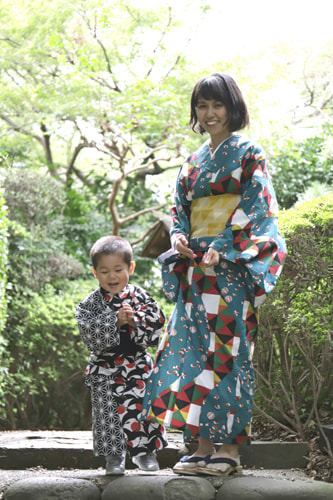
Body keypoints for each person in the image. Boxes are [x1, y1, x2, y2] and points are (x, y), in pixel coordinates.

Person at [142, 73, 287, 476]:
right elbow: (178, 211)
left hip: (229, 272)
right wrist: (180, 238)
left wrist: (220, 248)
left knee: (227, 354)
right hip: (195, 274)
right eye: (202, 106)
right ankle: (202, 445)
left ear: (232, 108)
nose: (209, 114)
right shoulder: (192, 161)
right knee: (193, 356)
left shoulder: (248, 153)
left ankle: (230, 450)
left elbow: (258, 210)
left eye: (217, 105)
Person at [75, 235, 168, 475]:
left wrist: (135, 320)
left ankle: (144, 453)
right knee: (108, 412)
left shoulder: (140, 297)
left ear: (131, 268)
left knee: (140, 408)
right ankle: (113, 458)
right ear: (95, 273)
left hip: (136, 364)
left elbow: (158, 322)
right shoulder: (90, 303)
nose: (112, 276)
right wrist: (113, 321)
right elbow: (87, 333)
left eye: (118, 269)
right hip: (104, 367)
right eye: (104, 271)